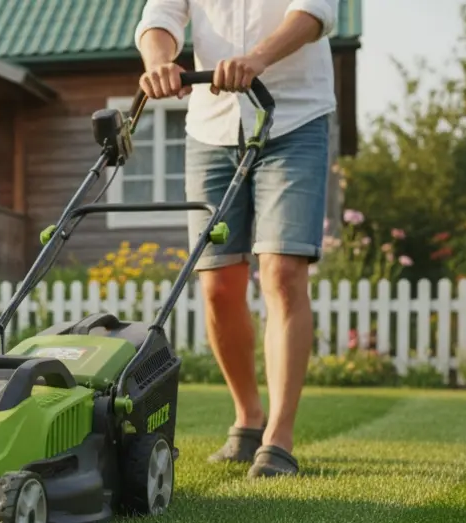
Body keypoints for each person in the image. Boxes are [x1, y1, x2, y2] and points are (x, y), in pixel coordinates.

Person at [135, 0, 338, 479]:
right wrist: (159, 62)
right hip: (212, 125)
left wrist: (258, 57)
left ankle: (279, 439)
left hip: (294, 118)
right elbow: (159, 19)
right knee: (218, 285)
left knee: (283, 272)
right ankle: (249, 418)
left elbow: (313, 12)